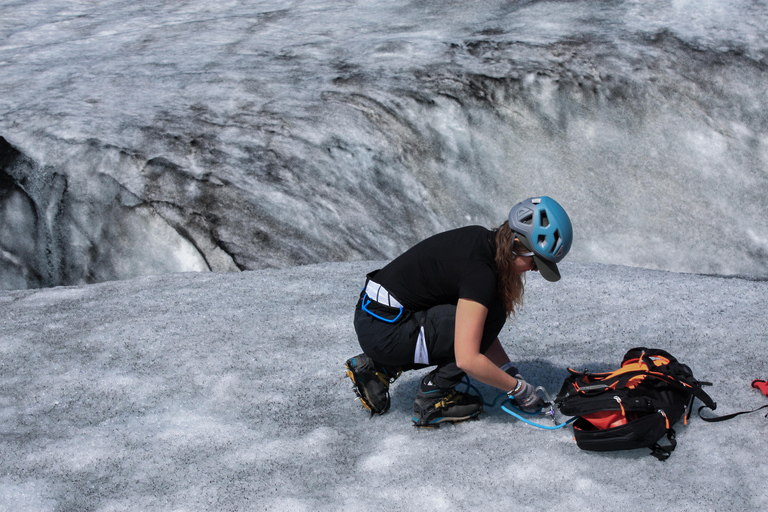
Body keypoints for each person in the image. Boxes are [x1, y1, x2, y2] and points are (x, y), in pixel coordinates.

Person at [345, 196, 574, 427]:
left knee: (485, 314)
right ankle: (433, 397)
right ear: (516, 244)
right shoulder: (481, 275)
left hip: (375, 319)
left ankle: (377, 367)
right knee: (491, 314)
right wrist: (519, 389)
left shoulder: (480, 240)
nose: (534, 271)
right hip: (385, 331)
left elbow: (473, 325)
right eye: (535, 263)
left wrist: (509, 371)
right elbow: (468, 358)